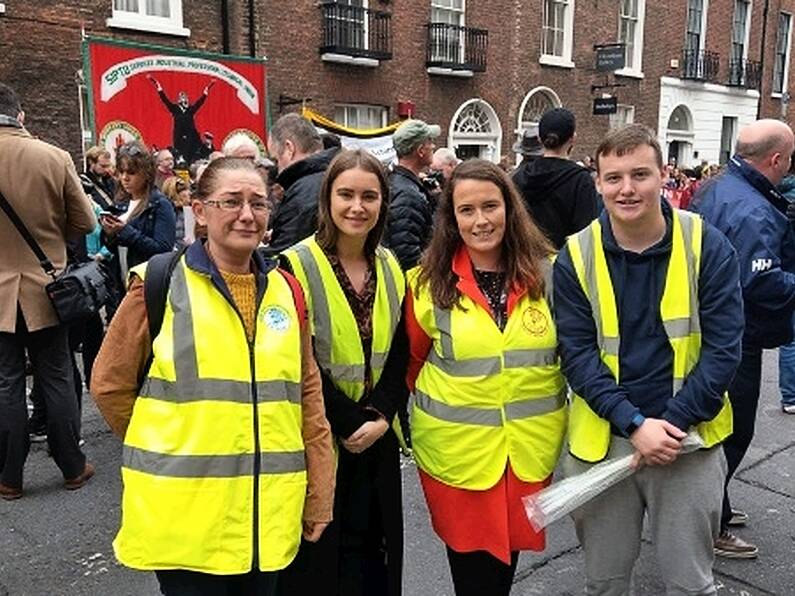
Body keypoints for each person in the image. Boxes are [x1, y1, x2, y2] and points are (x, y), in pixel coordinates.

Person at [90, 156, 335, 595]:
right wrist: (163, 443)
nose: (247, 214)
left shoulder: (287, 289)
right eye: (231, 202)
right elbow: (109, 385)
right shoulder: (158, 282)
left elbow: (308, 397)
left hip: (267, 516)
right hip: (188, 518)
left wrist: (320, 492)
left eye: (258, 204)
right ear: (200, 211)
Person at [554, 124, 742, 594]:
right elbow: (577, 357)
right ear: (597, 181)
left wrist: (669, 426)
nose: (627, 188)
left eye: (640, 174)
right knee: (605, 582)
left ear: (663, 176)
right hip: (606, 440)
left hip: (688, 442)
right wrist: (636, 425)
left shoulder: (706, 244)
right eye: (613, 177)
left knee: (689, 585)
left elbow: (724, 350)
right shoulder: (575, 255)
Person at [406, 158, 566, 596]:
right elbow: (413, 365)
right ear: (451, 219)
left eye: (490, 206)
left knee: (503, 568)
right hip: (457, 457)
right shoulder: (424, 283)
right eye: (467, 210)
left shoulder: (550, 274)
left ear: (510, 209)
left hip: (527, 452)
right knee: (473, 576)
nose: (481, 220)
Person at [279, 149, 407, 596]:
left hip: (377, 435)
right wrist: (352, 421)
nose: (357, 206)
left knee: (377, 560)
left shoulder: (391, 265)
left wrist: (382, 416)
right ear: (327, 200)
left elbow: (401, 348)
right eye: (346, 194)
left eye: (369, 196)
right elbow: (299, 359)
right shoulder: (294, 266)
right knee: (324, 567)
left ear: (382, 203)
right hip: (324, 436)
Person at [690, 118, 795, 558]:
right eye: (789, 159)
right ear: (775, 159)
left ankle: (717, 504)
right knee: (732, 432)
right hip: (735, 338)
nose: (790, 167)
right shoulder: (752, 208)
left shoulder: (716, 186)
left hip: (705, 328)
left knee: (717, 428)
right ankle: (706, 522)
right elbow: (759, 282)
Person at [0, 82, 96, 500]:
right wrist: (53, 240)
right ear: (20, 114)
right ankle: (72, 467)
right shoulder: (54, 157)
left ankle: (8, 478)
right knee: (57, 376)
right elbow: (86, 223)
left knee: (5, 382)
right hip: (47, 287)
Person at [512, 107, 600, 249]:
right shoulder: (580, 180)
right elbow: (586, 233)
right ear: (573, 139)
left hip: (526, 260)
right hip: (565, 264)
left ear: (540, 139)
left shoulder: (519, 177)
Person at [264, 113, 340, 256]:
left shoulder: (303, 192)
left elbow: (284, 255)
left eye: (276, 160)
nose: (277, 169)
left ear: (289, 148)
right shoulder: (336, 175)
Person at [99, 140, 176, 275]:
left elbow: (163, 250)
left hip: (147, 282)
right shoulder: (121, 202)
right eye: (121, 172)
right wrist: (109, 234)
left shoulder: (160, 204)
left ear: (146, 173)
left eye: (131, 172)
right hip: (122, 281)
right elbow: (115, 249)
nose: (124, 178)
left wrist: (125, 231)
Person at [383, 118, 440, 270]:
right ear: (420, 150)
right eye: (430, 141)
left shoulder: (397, 182)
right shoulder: (408, 196)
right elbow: (407, 255)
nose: (433, 145)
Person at [147, 75, 214, 164]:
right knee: (179, 152)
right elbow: (165, 100)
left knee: (193, 151)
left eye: (185, 97)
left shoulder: (190, 109)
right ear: (179, 100)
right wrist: (158, 86)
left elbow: (200, 103)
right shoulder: (174, 108)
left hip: (191, 134)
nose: (184, 99)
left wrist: (206, 91)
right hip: (179, 135)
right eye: (182, 97)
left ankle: (199, 157)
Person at [80, 145, 117, 212]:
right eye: (103, 166)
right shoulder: (83, 183)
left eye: (108, 166)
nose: (106, 170)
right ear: (91, 162)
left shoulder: (111, 181)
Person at [161, 176, 191, 249]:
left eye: (188, 189)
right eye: (183, 189)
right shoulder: (166, 213)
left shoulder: (191, 211)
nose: (189, 193)